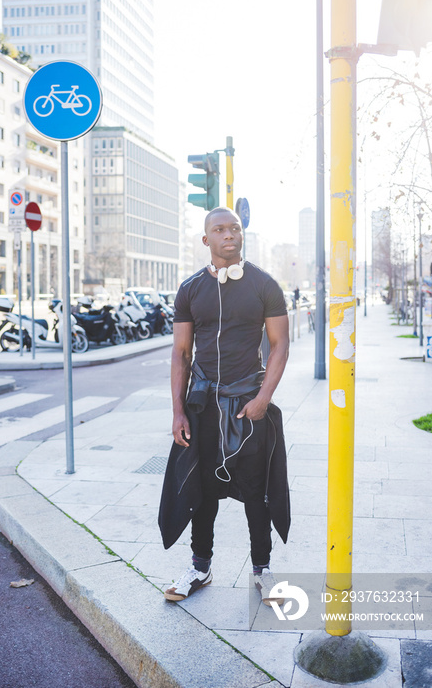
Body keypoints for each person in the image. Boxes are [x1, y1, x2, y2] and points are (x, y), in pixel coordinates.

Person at [158, 207, 290, 606]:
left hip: (248, 404)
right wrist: (178, 411)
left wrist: (262, 399)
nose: (229, 234)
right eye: (219, 229)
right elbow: (181, 353)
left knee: (256, 493)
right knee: (202, 490)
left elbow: (280, 344)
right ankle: (201, 567)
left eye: (235, 228)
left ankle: (263, 571)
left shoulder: (264, 285)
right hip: (203, 406)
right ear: (206, 240)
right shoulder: (190, 289)